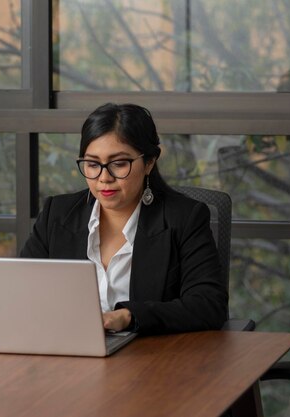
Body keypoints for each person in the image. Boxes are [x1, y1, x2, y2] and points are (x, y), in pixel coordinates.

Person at [20, 103, 228, 335]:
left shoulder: (184, 218)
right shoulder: (56, 214)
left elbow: (209, 305)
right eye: (92, 164)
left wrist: (129, 316)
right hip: (66, 349)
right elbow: (21, 290)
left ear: (149, 162)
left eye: (119, 164)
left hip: (149, 359)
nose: (104, 178)